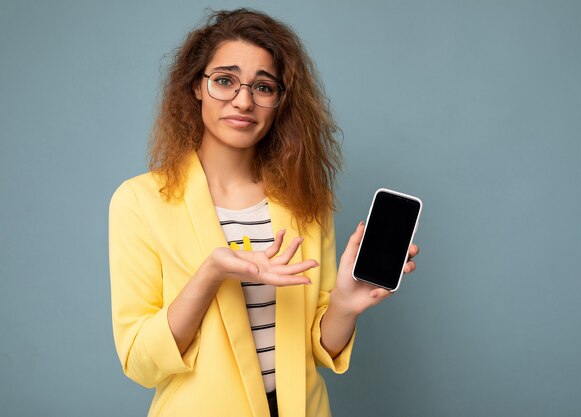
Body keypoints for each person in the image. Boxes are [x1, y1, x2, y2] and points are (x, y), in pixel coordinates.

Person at [109, 8, 419, 417]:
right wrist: (212, 272)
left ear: (280, 101)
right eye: (224, 81)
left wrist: (344, 303)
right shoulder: (139, 201)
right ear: (196, 86)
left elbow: (317, 347)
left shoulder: (307, 200)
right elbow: (139, 361)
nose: (243, 100)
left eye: (263, 87)